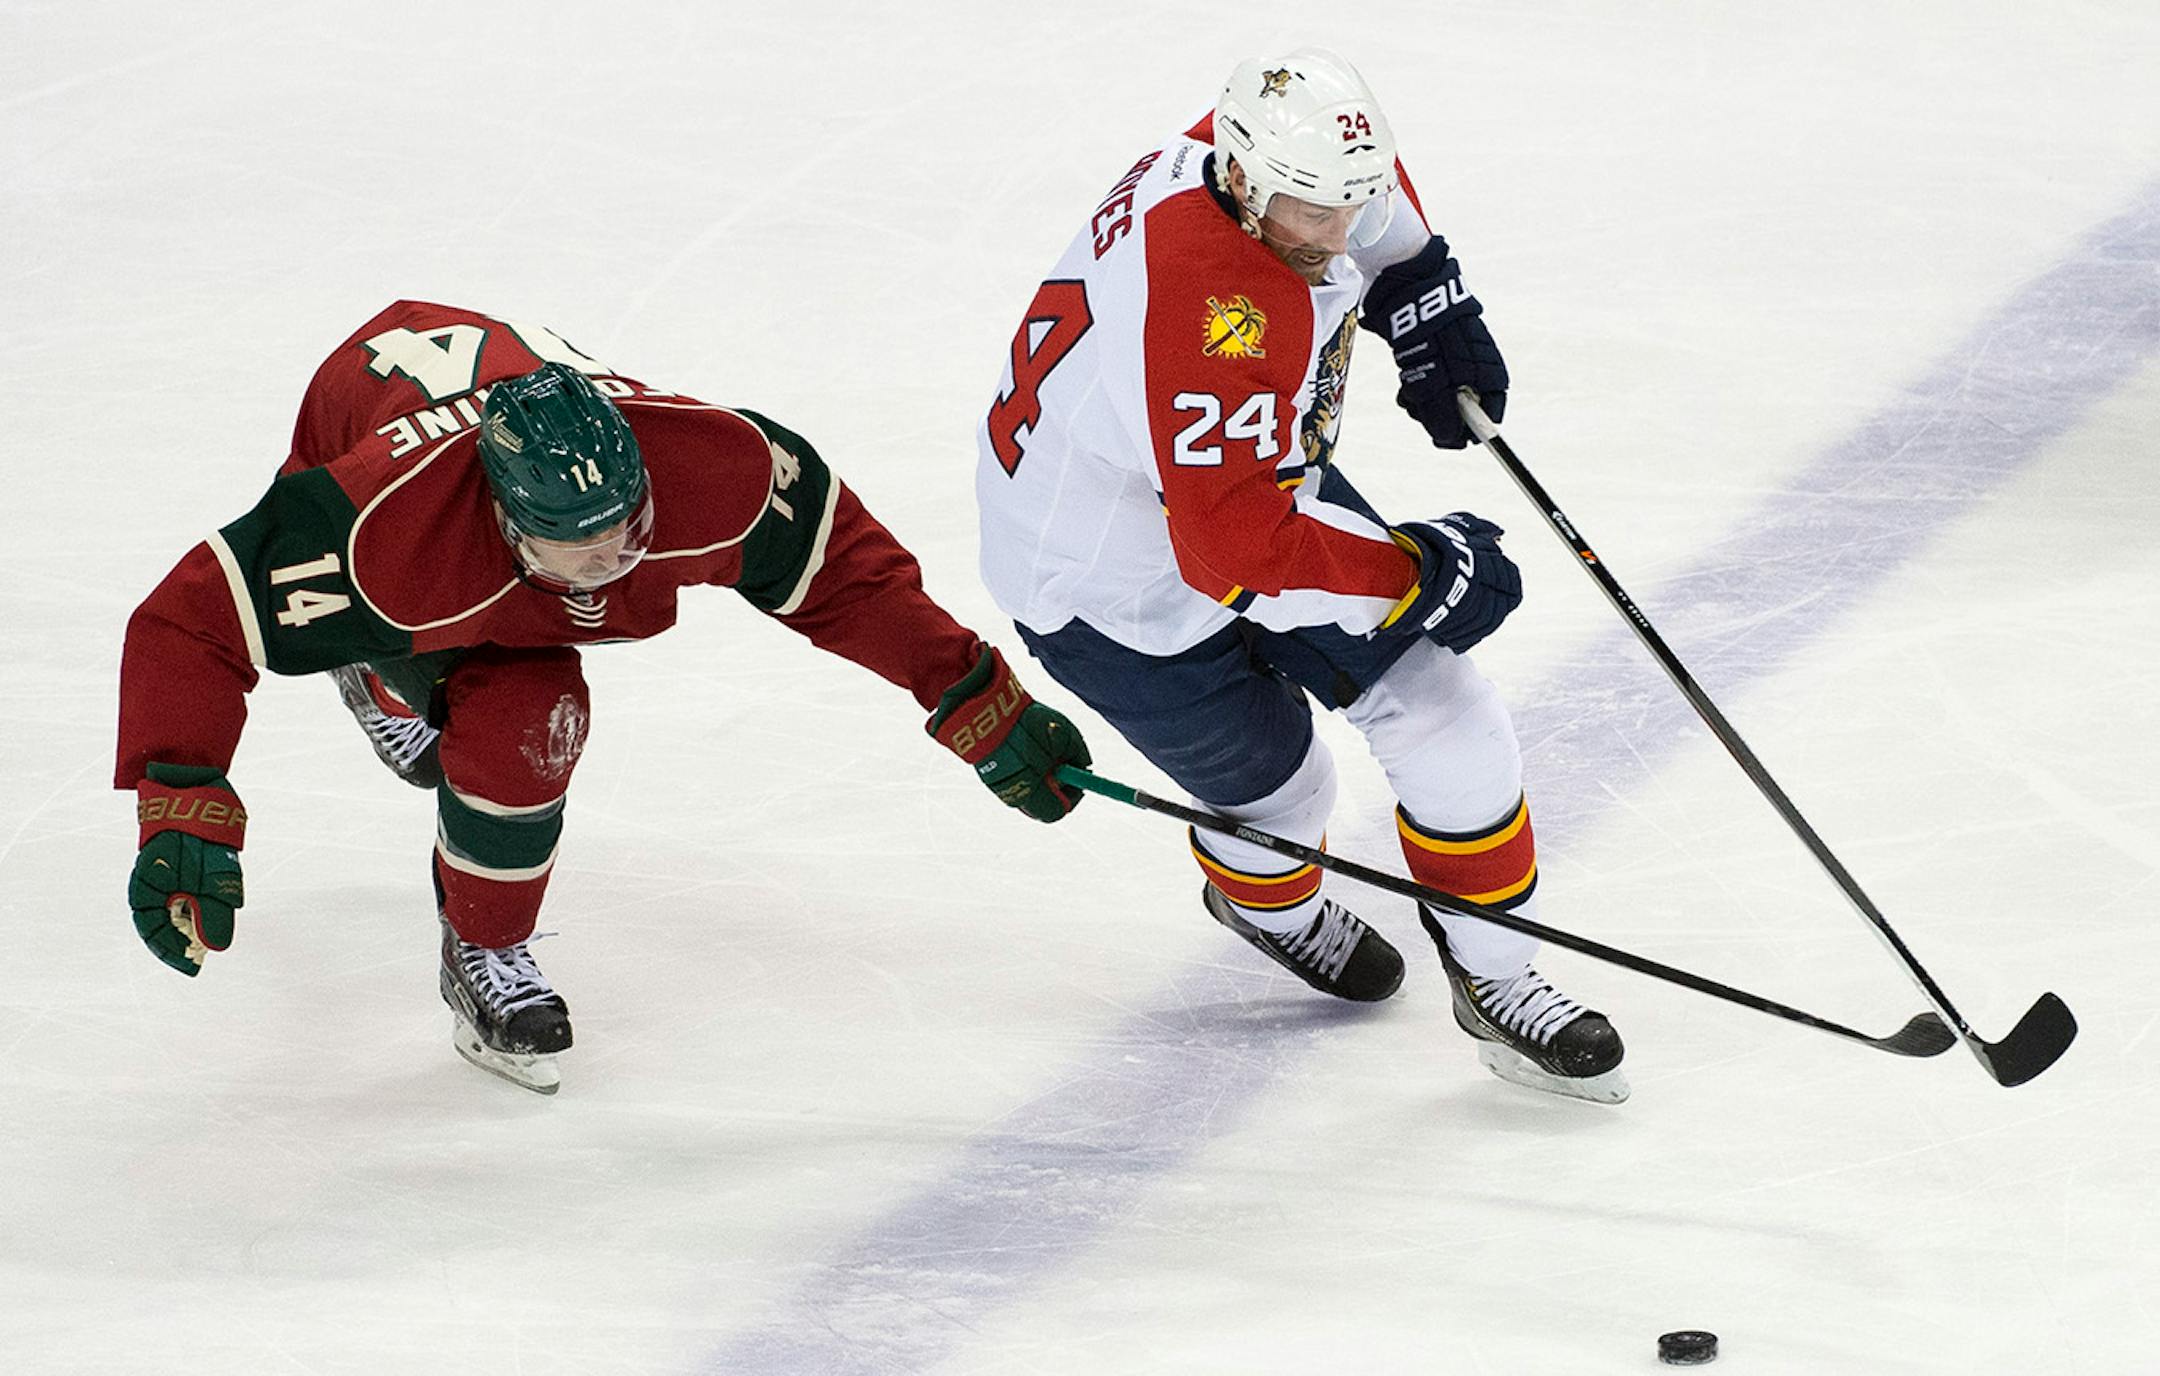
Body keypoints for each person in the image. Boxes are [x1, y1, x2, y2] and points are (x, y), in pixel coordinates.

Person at [119, 300, 1091, 1094]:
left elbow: (850, 577)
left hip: (475, 439)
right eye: (574, 543)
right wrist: (183, 801)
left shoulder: (721, 469)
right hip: (373, 443)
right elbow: (190, 622)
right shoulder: (374, 528)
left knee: (521, 690)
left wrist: (974, 695)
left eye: (627, 527)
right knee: (528, 714)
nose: (612, 563)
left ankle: (403, 685)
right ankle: (458, 880)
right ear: (502, 514)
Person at [973, 49, 1626, 1102]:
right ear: (1238, 176)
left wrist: (1423, 283)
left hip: (1236, 482)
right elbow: (1234, 552)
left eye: (1349, 207)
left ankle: (1497, 973)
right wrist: (1420, 571)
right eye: (1308, 214)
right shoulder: (1208, 303)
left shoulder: (1265, 161)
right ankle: (1267, 906)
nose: (1332, 239)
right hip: (1106, 588)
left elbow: (1362, 199)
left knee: (1447, 709)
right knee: (1285, 792)